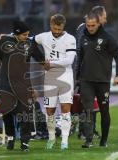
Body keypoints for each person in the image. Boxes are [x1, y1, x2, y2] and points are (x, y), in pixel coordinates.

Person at [0, 20, 45, 151]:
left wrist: (51, 66)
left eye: (28, 34)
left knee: (26, 113)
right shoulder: (4, 42)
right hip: (6, 83)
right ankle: (11, 137)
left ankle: (25, 141)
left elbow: (41, 58)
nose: (26, 37)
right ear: (17, 33)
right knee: (7, 112)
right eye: (24, 35)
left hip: (24, 84)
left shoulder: (30, 43)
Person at [76, 12, 118, 148]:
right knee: (88, 110)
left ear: (99, 24)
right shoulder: (82, 37)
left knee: (104, 111)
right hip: (86, 81)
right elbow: (79, 58)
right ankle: (88, 140)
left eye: (93, 25)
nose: (90, 28)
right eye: (88, 25)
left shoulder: (108, 38)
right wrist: (76, 77)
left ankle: (104, 140)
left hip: (103, 81)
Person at [34, 13, 76, 150]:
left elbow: (69, 60)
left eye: (59, 29)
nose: (57, 32)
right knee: (50, 110)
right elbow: (28, 39)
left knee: (65, 109)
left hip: (66, 77)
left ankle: (65, 140)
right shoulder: (43, 37)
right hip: (50, 78)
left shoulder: (70, 39)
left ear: (63, 26)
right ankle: (51, 138)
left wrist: (49, 62)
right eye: (54, 29)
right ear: (51, 25)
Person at [76, 5, 107, 140]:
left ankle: (88, 130)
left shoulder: (95, 28)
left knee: (89, 102)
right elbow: (80, 50)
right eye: (104, 17)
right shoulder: (84, 28)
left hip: (91, 71)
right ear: (98, 16)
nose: (105, 20)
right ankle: (84, 131)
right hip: (84, 72)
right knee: (86, 102)